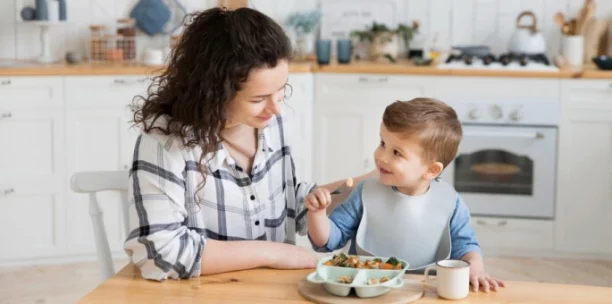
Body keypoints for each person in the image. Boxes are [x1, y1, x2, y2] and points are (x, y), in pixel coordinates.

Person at [124, 7, 372, 281]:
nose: (276, 109)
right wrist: (274, 253)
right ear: (213, 93)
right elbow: (159, 252)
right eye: (258, 99)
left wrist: (370, 182)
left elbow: (289, 204)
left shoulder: (270, 123)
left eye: (281, 92)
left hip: (272, 291)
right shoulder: (166, 142)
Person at [305, 98, 505, 292]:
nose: (381, 157)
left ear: (431, 171)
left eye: (397, 153)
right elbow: (328, 241)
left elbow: (465, 246)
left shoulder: (450, 202)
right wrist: (318, 214)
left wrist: (475, 265)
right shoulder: (364, 193)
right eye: (382, 143)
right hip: (367, 290)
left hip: (426, 289)